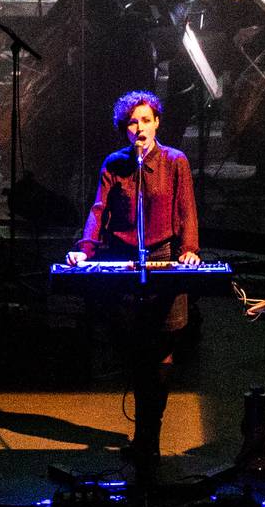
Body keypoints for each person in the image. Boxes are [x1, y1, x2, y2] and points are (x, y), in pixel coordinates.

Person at [64, 91, 202, 477]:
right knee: (138, 355)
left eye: (144, 120)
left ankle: (149, 439)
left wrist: (190, 250)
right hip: (125, 267)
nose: (138, 128)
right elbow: (98, 210)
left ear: (157, 122)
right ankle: (145, 439)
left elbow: (187, 210)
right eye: (131, 123)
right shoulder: (114, 164)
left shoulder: (176, 161)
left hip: (165, 265)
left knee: (162, 355)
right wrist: (85, 250)